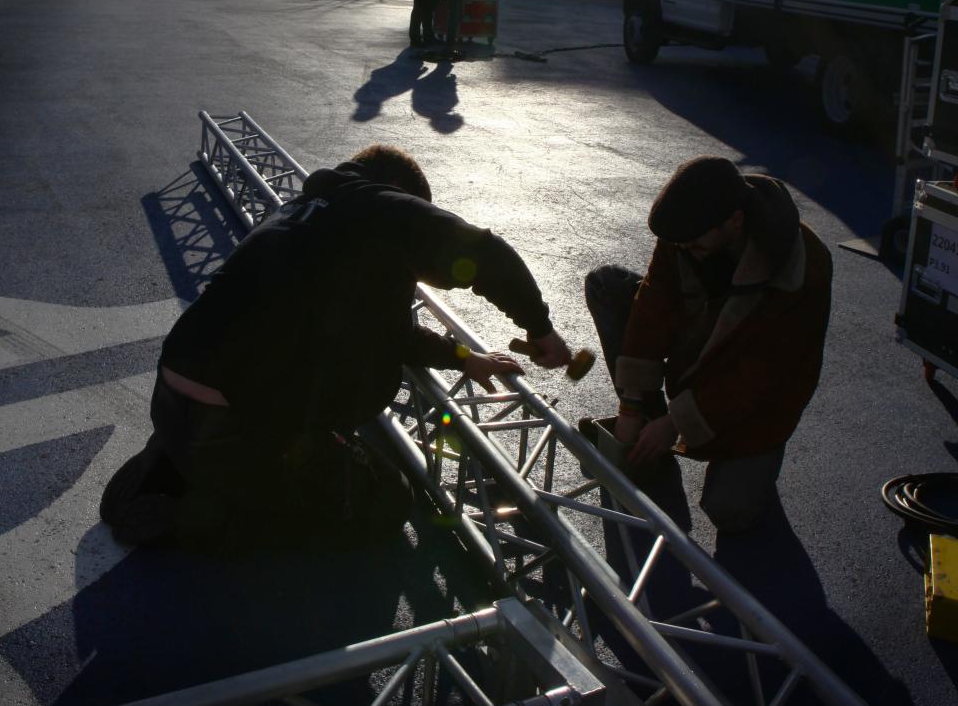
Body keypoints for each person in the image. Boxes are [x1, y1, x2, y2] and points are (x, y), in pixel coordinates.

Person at [101, 144, 572, 551]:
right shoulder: (380, 208)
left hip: (171, 400)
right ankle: (204, 525)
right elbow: (485, 253)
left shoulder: (300, 217)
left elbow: (388, 332)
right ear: (396, 189)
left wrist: (464, 358)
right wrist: (540, 329)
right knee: (386, 504)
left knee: (244, 401)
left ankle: (165, 470)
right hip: (240, 430)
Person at [584, 156, 832, 533]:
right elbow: (654, 304)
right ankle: (648, 433)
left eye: (694, 244)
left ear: (734, 220)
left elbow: (760, 378)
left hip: (763, 398)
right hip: (705, 348)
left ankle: (739, 452)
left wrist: (678, 421)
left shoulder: (801, 269)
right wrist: (632, 406)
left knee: (729, 511)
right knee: (607, 286)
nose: (684, 250)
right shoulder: (687, 228)